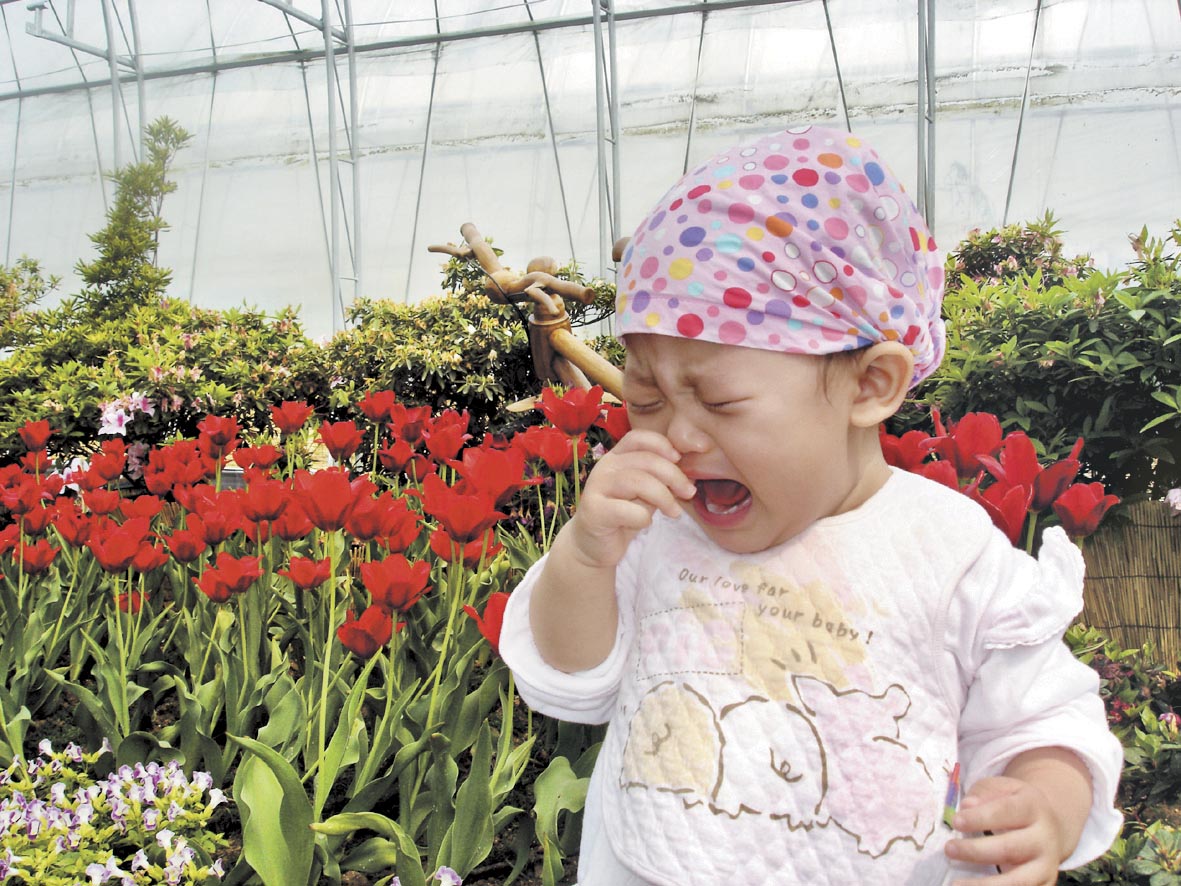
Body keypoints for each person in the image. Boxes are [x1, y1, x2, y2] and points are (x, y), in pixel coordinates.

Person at [499, 125, 1122, 885]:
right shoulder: (656, 528)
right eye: (646, 396)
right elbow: (569, 681)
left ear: (869, 386)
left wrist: (1044, 806)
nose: (678, 436)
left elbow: (1044, 717)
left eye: (721, 400)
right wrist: (586, 556)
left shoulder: (946, 553)